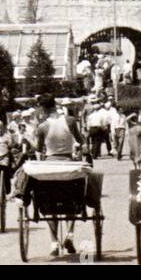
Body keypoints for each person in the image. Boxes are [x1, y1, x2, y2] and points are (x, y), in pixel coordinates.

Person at [33, 96, 88, 256]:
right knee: (72, 200)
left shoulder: (42, 126)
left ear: (43, 109)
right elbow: (80, 140)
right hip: (68, 163)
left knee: (50, 204)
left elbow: (38, 148)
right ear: (55, 106)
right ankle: (70, 234)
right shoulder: (70, 121)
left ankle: (54, 242)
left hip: (51, 164)